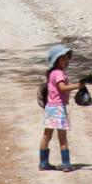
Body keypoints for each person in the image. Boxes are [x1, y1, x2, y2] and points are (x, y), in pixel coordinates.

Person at [39, 44, 84, 172]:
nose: (66, 60)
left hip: (50, 108)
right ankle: (66, 164)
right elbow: (62, 88)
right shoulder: (59, 73)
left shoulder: (52, 73)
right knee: (62, 137)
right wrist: (78, 85)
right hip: (58, 108)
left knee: (46, 136)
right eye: (63, 58)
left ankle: (43, 163)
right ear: (56, 60)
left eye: (67, 58)